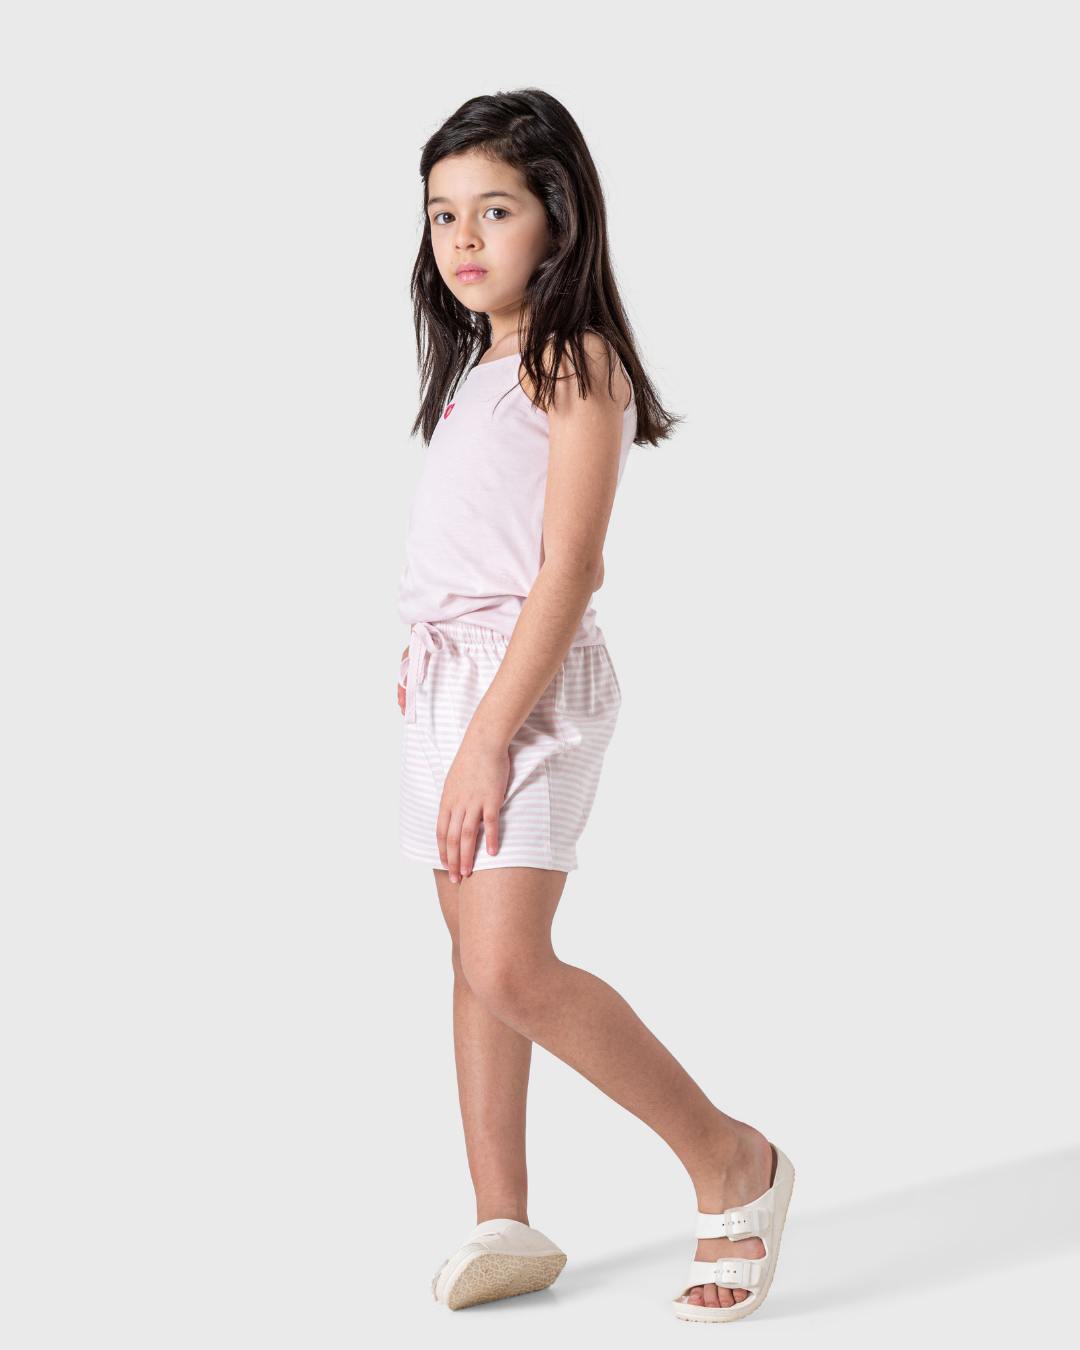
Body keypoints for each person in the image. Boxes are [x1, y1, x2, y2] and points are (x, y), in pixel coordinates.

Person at [396, 88, 793, 1324]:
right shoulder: (477, 366)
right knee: (474, 962)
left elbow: (569, 568)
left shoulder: (575, 359)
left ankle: (732, 1159)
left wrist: (485, 738)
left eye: (495, 210)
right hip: (450, 677)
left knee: (510, 962)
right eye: (443, 214)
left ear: (558, 220)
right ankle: (504, 1217)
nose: (464, 238)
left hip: (523, 687)